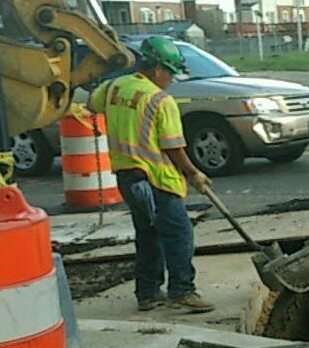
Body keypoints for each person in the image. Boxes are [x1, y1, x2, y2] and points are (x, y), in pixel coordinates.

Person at [90, 36, 215, 313]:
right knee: (179, 235)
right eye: (169, 72)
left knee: (148, 235)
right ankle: (182, 290)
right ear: (157, 68)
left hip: (128, 179)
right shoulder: (160, 100)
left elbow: (93, 104)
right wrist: (194, 173)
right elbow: (173, 146)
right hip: (157, 180)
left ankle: (147, 293)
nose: (171, 79)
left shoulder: (113, 87)